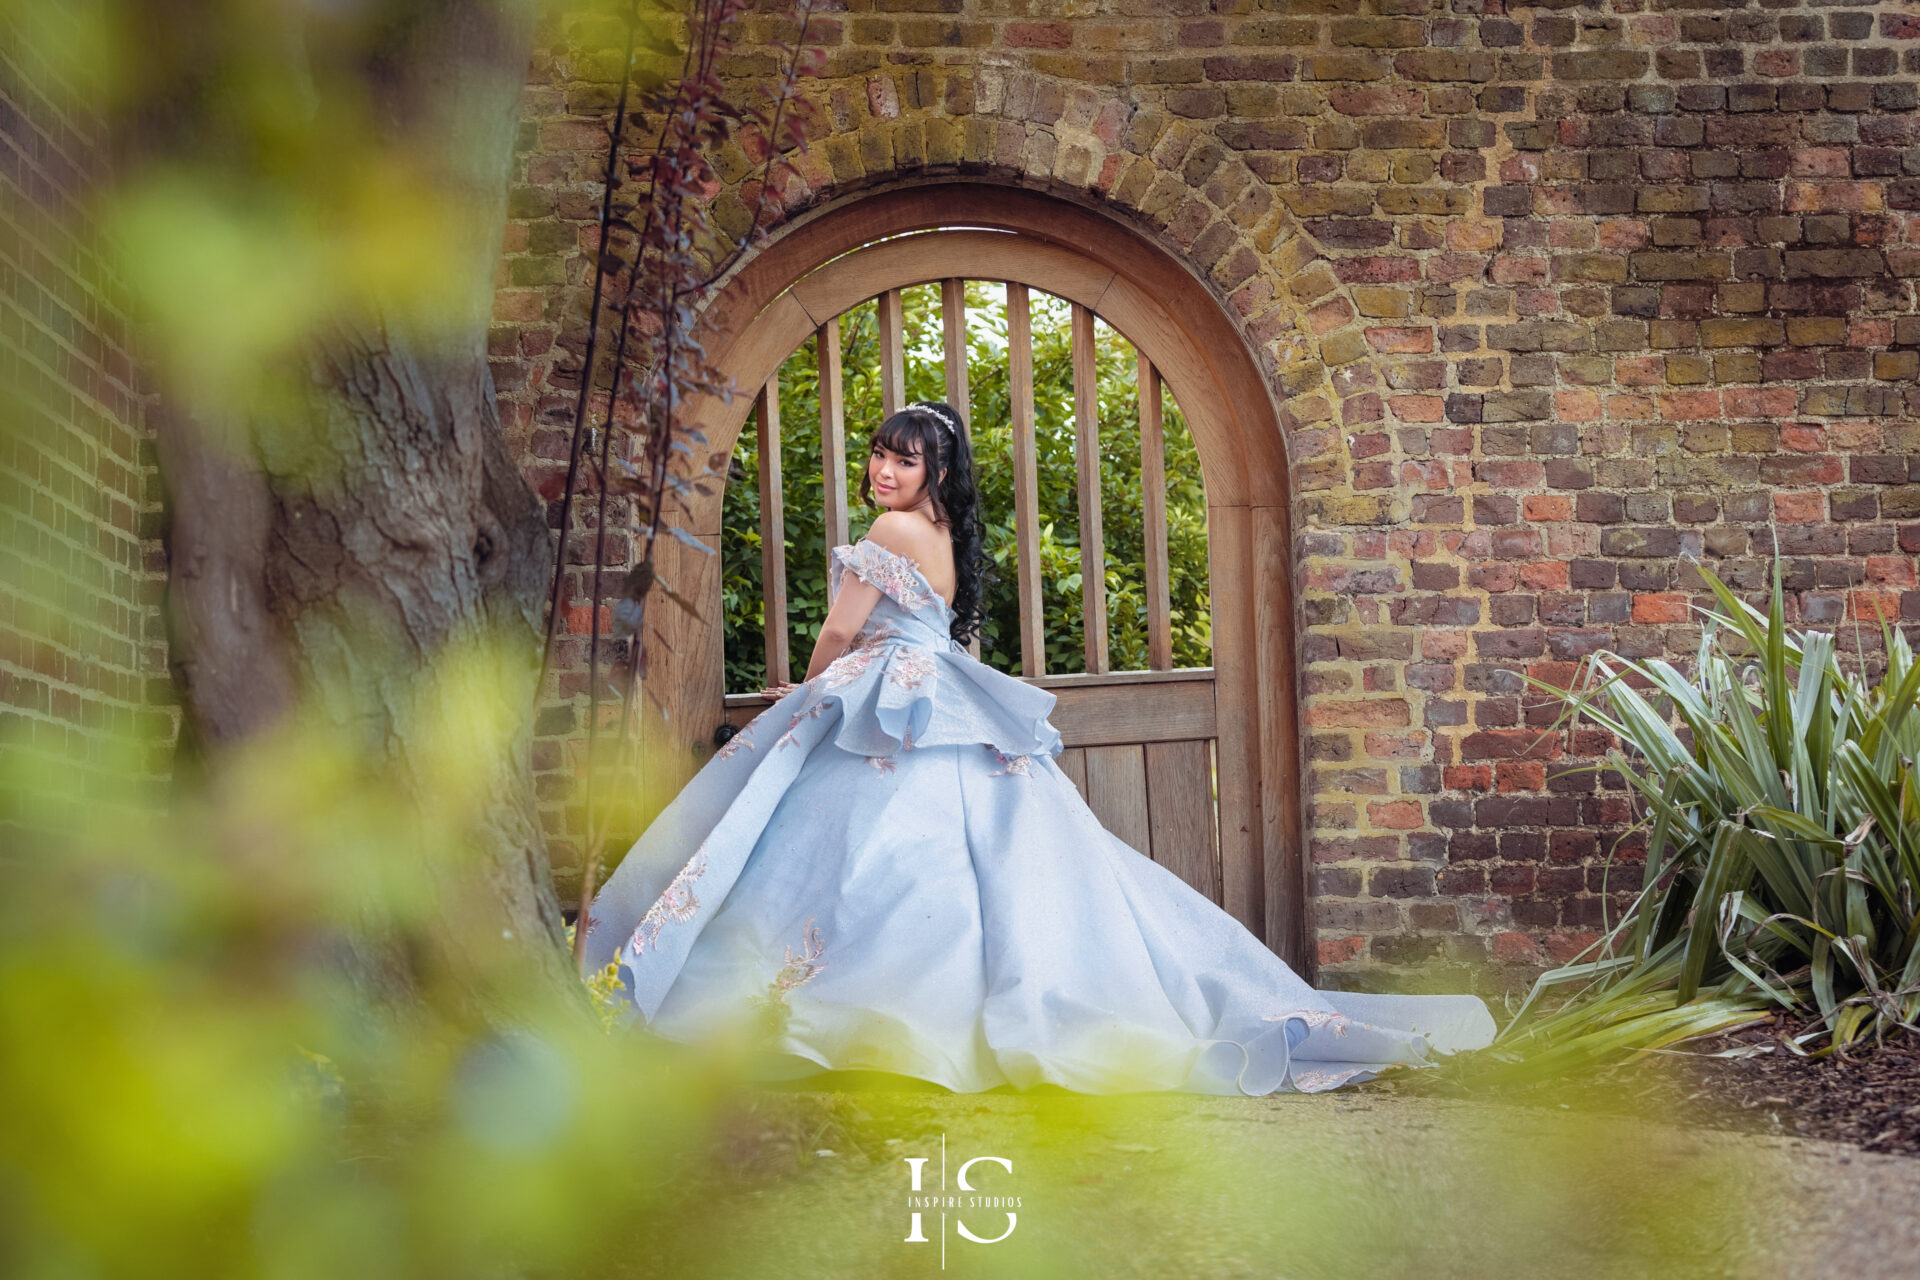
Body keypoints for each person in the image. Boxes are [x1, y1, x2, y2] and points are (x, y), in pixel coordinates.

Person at [580, 400, 1495, 1094]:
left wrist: (805, 691)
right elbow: (937, 634)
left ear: (934, 471)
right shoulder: (944, 536)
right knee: (982, 856)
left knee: (837, 847)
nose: (883, 471)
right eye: (878, 454)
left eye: (904, 458)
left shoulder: (891, 532)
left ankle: (840, 1002)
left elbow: (837, 634)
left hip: (882, 692)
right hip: (936, 690)